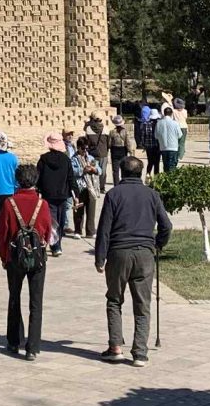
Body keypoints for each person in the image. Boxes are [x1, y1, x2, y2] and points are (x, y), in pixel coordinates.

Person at [95, 155, 172, 365]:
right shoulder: (152, 195)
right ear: (141, 172)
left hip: (119, 252)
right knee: (143, 304)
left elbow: (104, 229)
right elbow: (166, 226)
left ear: (121, 172)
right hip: (145, 253)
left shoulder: (113, 194)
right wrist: (158, 244)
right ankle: (140, 352)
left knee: (114, 299)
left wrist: (100, 257)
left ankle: (115, 347)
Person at [0, 162, 53, 360]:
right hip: (37, 257)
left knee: (14, 298)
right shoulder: (42, 204)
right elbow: (48, 231)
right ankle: (33, 346)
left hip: (15, 256)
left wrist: (4, 257)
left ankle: (14, 340)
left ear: (17, 180)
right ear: (36, 180)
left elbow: (2, 233)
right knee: (36, 302)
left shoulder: (9, 203)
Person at [36, 133, 74, 257]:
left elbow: (38, 177)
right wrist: (75, 193)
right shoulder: (66, 160)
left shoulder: (43, 159)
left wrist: (37, 191)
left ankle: (54, 244)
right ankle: (57, 244)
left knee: (51, 220)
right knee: (61, 220)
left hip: (48, 194)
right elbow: (71, 178)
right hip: (63, 194)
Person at [72, 136, 99, 238]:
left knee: (91, 211)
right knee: (79, 211)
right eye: (83, 148)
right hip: (80, 187)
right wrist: (83, 170)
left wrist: (94, 169)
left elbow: (99, 170)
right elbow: (72, 171)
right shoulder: (74, 159)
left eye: (87, 148)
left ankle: (90, 231)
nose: (85, 151)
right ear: (78, 148)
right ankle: (78, 231)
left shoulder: (91, 158)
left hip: (91, 187)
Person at [79, 113, 111, 194]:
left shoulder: (88, 129)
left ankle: (94, 186)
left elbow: (87, 142)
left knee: (93, 169)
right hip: (103, 153)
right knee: (103, 171)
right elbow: (109, 143)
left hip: (92, 153)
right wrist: (106, 150)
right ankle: (102, 187)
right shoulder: (106, 129)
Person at [107, 115, 136, 185]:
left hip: (114, 151)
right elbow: (128, 142)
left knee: (115, 170)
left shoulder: (112, 132)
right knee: (124, 168)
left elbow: (109, 143)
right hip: (123, 150)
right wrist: (130, 151)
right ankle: (124, 182)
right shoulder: (125, 131)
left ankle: (116, 184)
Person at [155, 106, 181, 173]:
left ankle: (166, 177)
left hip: (163, 147)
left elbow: (156, 136)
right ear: (171, 114)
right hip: (173, 147)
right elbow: (180, 135)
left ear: (164, 113)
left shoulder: (159, 123)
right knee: (172, 166)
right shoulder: (175, 123)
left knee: (165, 166)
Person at [172, 98, 189, 165]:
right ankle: (180, 155)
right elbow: (185, 118)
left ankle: (176, 154)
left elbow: (173, 118)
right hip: (184, 126)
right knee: (182, 142)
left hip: (176, 126)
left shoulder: (174, 111)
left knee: (176, 141)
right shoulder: (185, 111)